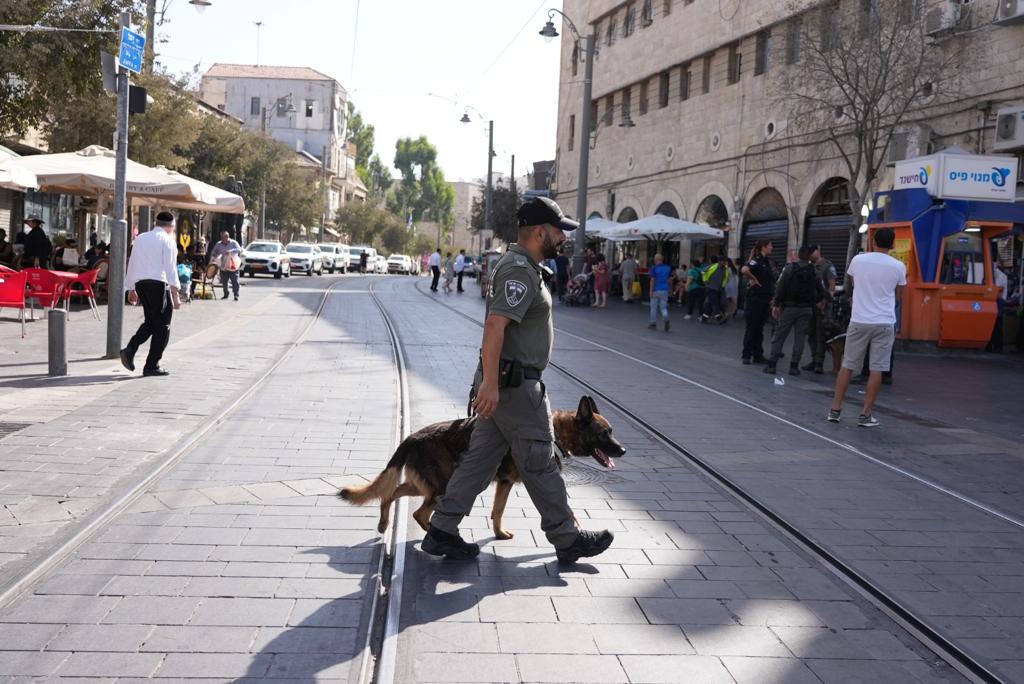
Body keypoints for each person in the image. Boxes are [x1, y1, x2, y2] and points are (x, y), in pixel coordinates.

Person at [423, 196, 614, 563]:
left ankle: (442, 529)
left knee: (479, 461)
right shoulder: (519, 271)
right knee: (541, 460)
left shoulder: (525, 268)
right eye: (559, 231)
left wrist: (490, 383)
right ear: (539, 232)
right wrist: (491, 385)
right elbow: (495, 326)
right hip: (514, 389)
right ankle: (567, 538)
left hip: (506, 384)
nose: (563, 238)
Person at [828, 228, 906, 427]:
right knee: (876, 369)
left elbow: (854, 284)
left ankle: (835, 410)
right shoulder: (898, 266)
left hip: (859, 320)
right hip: (884, 322)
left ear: (873, 241)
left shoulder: (858, 260)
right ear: (893, 244)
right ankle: (865, 415)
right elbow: (898, 296)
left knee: (848, 365)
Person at [120, 211, 182, 377]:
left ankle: (130, 349)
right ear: (171, 226)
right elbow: (170, 267)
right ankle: (151, 365)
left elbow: (132, 262)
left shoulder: (140, 238)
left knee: (151, 322)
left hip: (141, 284)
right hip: (158, 284)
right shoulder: (168, 240)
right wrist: (175, 293)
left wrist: (131, 287)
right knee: (163, 325)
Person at [764, 246, 826, 376]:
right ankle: (794, 366)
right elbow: (821, 291)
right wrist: (816, 301)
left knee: (779, 336)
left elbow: (780, 288)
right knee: (800, 338)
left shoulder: (789, 268)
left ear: (798, 255)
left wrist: (776, 304)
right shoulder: (814, 271)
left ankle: (772, 365)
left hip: (789, 308)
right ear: (809, 256)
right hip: (806, 309)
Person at [802, 244, 838, 374]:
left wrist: (824, 301)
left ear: (818, 251)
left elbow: (832, 287)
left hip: (823, 307)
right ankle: (814, 359)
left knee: (821, 335)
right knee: (811, 334)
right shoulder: (808, 266)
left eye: (812, 252)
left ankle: (819, 363)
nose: (810, 255)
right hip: (810, 306)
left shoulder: (827, 266)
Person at [741, 239, 775, 364]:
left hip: (764, 300)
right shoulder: (757, 260)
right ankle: (746, 355)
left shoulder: (766, 261)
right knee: (752, 327)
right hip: (755, 299)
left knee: (759, 328)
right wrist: (754, 279)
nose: (772, 248)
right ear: (764, 247)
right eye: (770, 245)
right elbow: (744, 270)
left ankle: (757, 355)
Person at [208, 231, 242, 301]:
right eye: (221, 237)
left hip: (232, 265)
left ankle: (236, 295)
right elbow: (213, 252)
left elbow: (239, 249)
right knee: (224, 281)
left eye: (223, 237)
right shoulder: (218, 244)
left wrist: (231, 251)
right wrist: (214, 257)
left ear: (227, 237)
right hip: (223, 265)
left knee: (235, 281)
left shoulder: (233, 242)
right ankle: (226, 294)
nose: (222, 239)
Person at [701, 255, 730, 323]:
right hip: (710, 288)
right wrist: (705, 280)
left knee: (709, 303)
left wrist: (723, 286)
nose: (725, 262)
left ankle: (704, 318)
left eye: (725, 261)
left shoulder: (725, 269)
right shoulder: (713, 266)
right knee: (715, 302)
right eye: (723, 261)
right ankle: (719, 318)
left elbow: (726, 278)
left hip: (719, 289)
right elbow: (703, 271)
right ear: (719, 261)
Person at [647, 253, 672, 332]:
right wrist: (670, 289)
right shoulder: (668, 268)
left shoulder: (654, 268)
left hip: (656, 290)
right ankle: (666, 319)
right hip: (665, 290)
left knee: (653, 308)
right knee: (663, 308)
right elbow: (670, 280)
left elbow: (652, 280)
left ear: (656, 259)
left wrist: (650, 291)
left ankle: (653, 324)